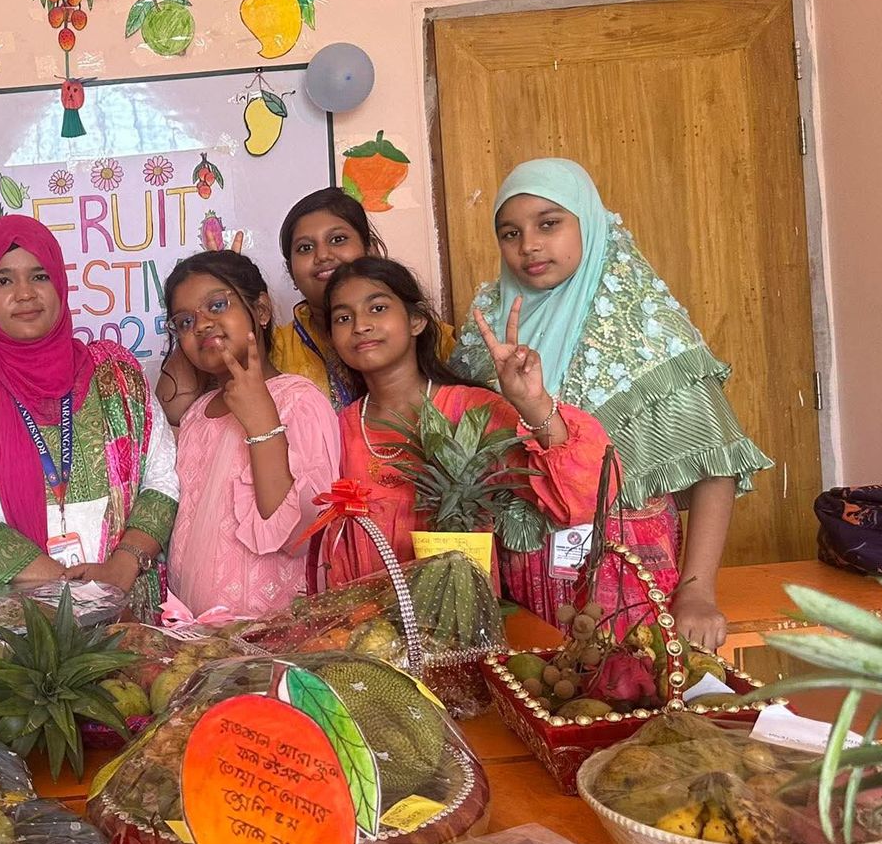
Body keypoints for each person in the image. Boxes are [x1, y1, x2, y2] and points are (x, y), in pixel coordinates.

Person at [451, 158, 773, 649]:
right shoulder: (486, 331)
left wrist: (697, 592)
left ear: (589, 221)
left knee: (630, 701)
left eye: (549, 224)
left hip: (627, 574)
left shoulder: (643, 327)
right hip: (521, 584)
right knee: (536, 705)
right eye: (509, 233)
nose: (529, 245)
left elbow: (716, 464)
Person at [0, 216, 178, 612]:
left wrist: (121, 568)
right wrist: (75, 595)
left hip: (129, 612)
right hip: (22, 635)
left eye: (39, 276)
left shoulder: (119, 375)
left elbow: (163, 479)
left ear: (60, 284)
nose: (25, 294)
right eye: (3, 281)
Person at [324, 257, 613, 601]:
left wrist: (532, 401)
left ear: (416, 321)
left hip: (462, 619)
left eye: (378, 308)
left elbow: (584, 498)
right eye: (344, 317)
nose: (360, 325)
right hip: (367, 627)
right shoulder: (338, 427)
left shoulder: (470, 410)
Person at [156, 187, 454, 422]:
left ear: (371, 251)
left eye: (338, 239)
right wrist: (207, 298)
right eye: (305, 248)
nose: (323, 255)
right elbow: (174, 411)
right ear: (292, 273)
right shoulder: (277, 347)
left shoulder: (423, 334)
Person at [163, 250, 339, 618]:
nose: (201, 325)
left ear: (260, 311)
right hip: (199, 637)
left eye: (216, 304)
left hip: (273, 634)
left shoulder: (299, 401)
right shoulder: (196, 415)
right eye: (183, 321)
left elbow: (303, 533)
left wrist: (262, 424)